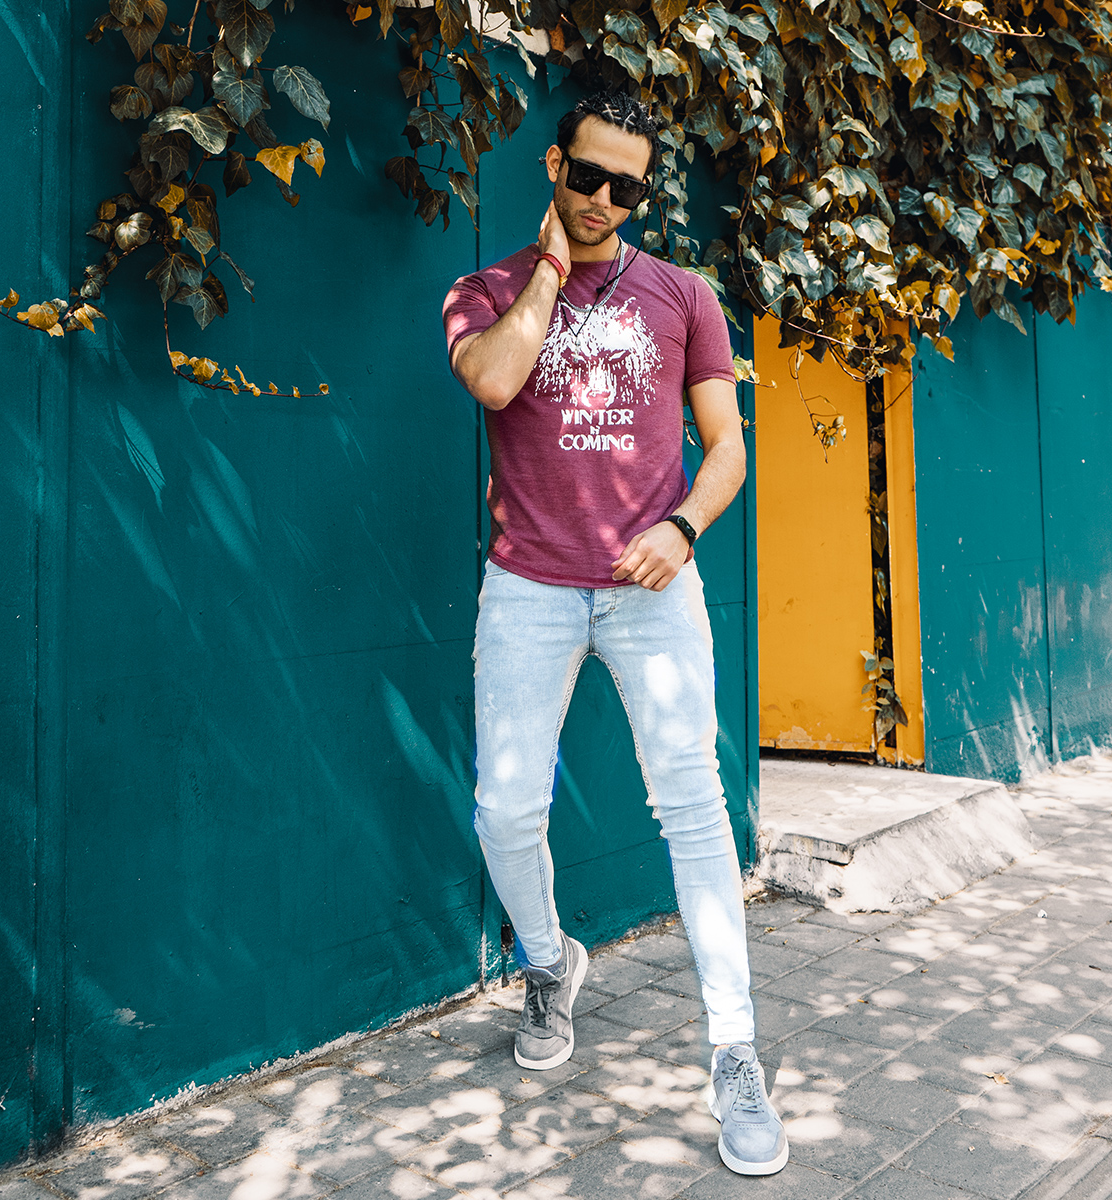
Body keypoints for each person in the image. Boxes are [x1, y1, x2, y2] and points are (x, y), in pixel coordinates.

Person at [441, 90, 788, 1177]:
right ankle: (551, 965)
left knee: (693, 806)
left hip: (651, 591)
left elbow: (726, 448)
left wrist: (683, 528)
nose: (601, 199)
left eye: (625, 187)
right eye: (585, 175)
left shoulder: (685, 295)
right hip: (529, 586)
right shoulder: (484, 290)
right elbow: (496, 379)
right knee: (505, 809)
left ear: (644, 192)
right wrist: (551, 268)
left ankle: (735, 1054)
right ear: (554, 164)